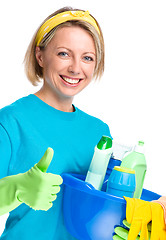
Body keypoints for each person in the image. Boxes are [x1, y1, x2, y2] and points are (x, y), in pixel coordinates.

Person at [0, 6, 112, 240]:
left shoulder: (100, 133)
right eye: (63, 53)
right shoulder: (11, 121)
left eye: (87, 58)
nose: (75, 68)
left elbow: (102, 210)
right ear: (40, 56)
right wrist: (16, 189)